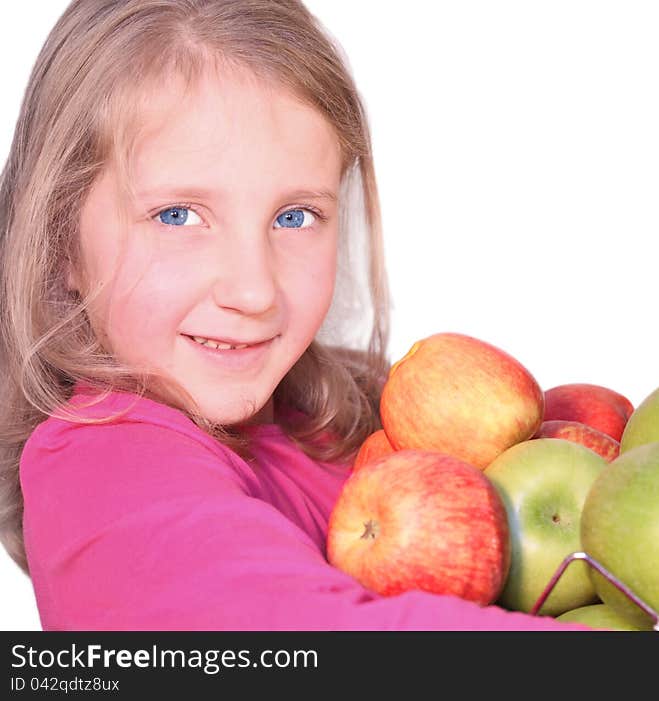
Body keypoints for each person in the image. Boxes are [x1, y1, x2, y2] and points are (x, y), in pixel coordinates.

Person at [0, 0, 591, 631]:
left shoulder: (340, 436)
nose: (254, 292)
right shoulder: (101, 466)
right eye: (178, 216)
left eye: (294, 217)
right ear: (61, 238)